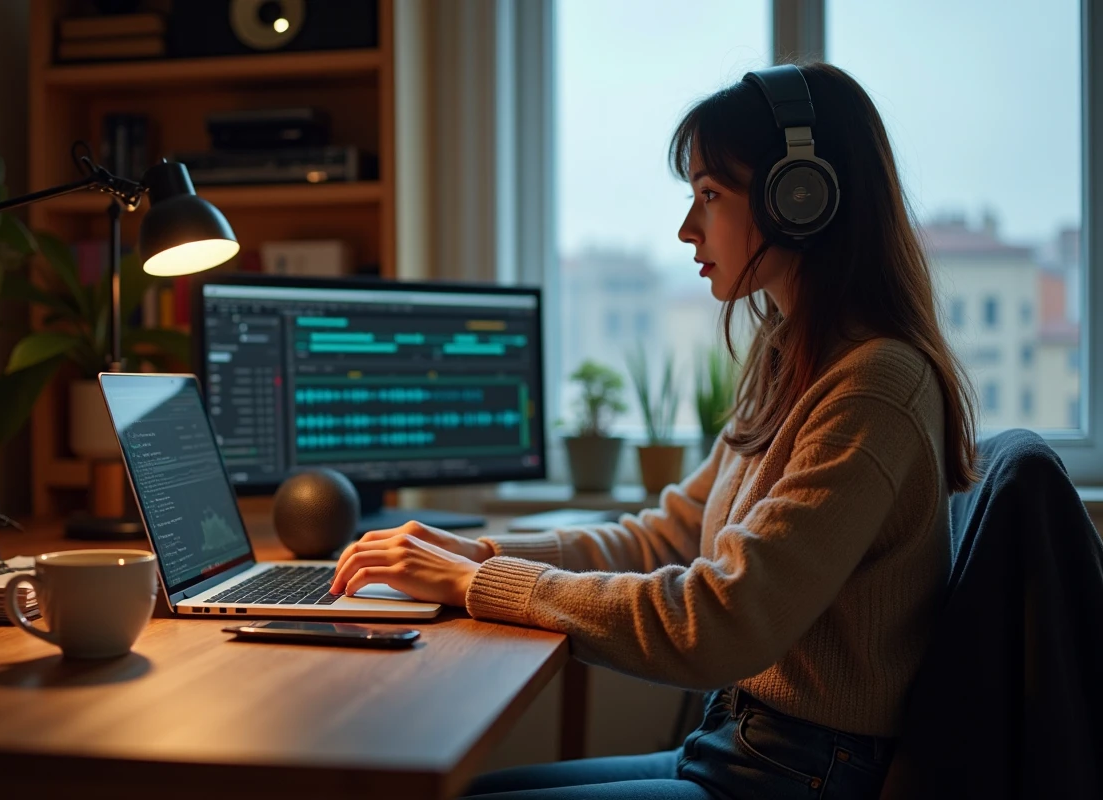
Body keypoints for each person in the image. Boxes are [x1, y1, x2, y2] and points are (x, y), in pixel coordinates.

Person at [330, 61, 978, 800]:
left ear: (801, 200)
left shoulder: (874, 386)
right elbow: (667, 536)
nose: (686, 228)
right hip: (736, 746)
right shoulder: (789, 355)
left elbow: (721, 622)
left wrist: (479, 584)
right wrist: (476, 551)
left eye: (709, 194)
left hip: (801, 775)